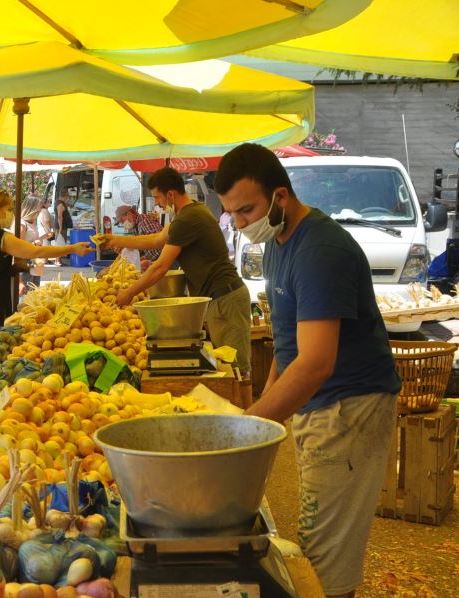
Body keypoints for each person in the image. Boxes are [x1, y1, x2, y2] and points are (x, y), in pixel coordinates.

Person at [215, 143, 401, 598]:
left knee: (323, 561)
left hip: (349, 409)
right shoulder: (279, 242)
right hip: (321, 405)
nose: (240, 223)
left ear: (280, 196)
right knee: (318, 540)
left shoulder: (319, 248)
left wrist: (250, 427)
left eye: (247, 210)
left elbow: (316, 362)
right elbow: (289, 342)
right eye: (232, 214)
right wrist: (269, 411)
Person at [109, 168, 252, 375]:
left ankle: (250, 407)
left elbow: (160, 267)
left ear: (170, 194)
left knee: (236, 370)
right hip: (219, 298)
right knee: (226, 366)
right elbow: (156, 240)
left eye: (157, 197)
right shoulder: (187, 213)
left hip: (226, 297)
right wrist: (115, 240)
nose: (157, 203)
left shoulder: (188, 218)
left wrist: (129, 293)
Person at [0, 189, 91, 349]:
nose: (11, 214)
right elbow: (37, 251)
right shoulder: (1, 237)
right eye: (9, 209)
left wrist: (17, 267)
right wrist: (73, 248)